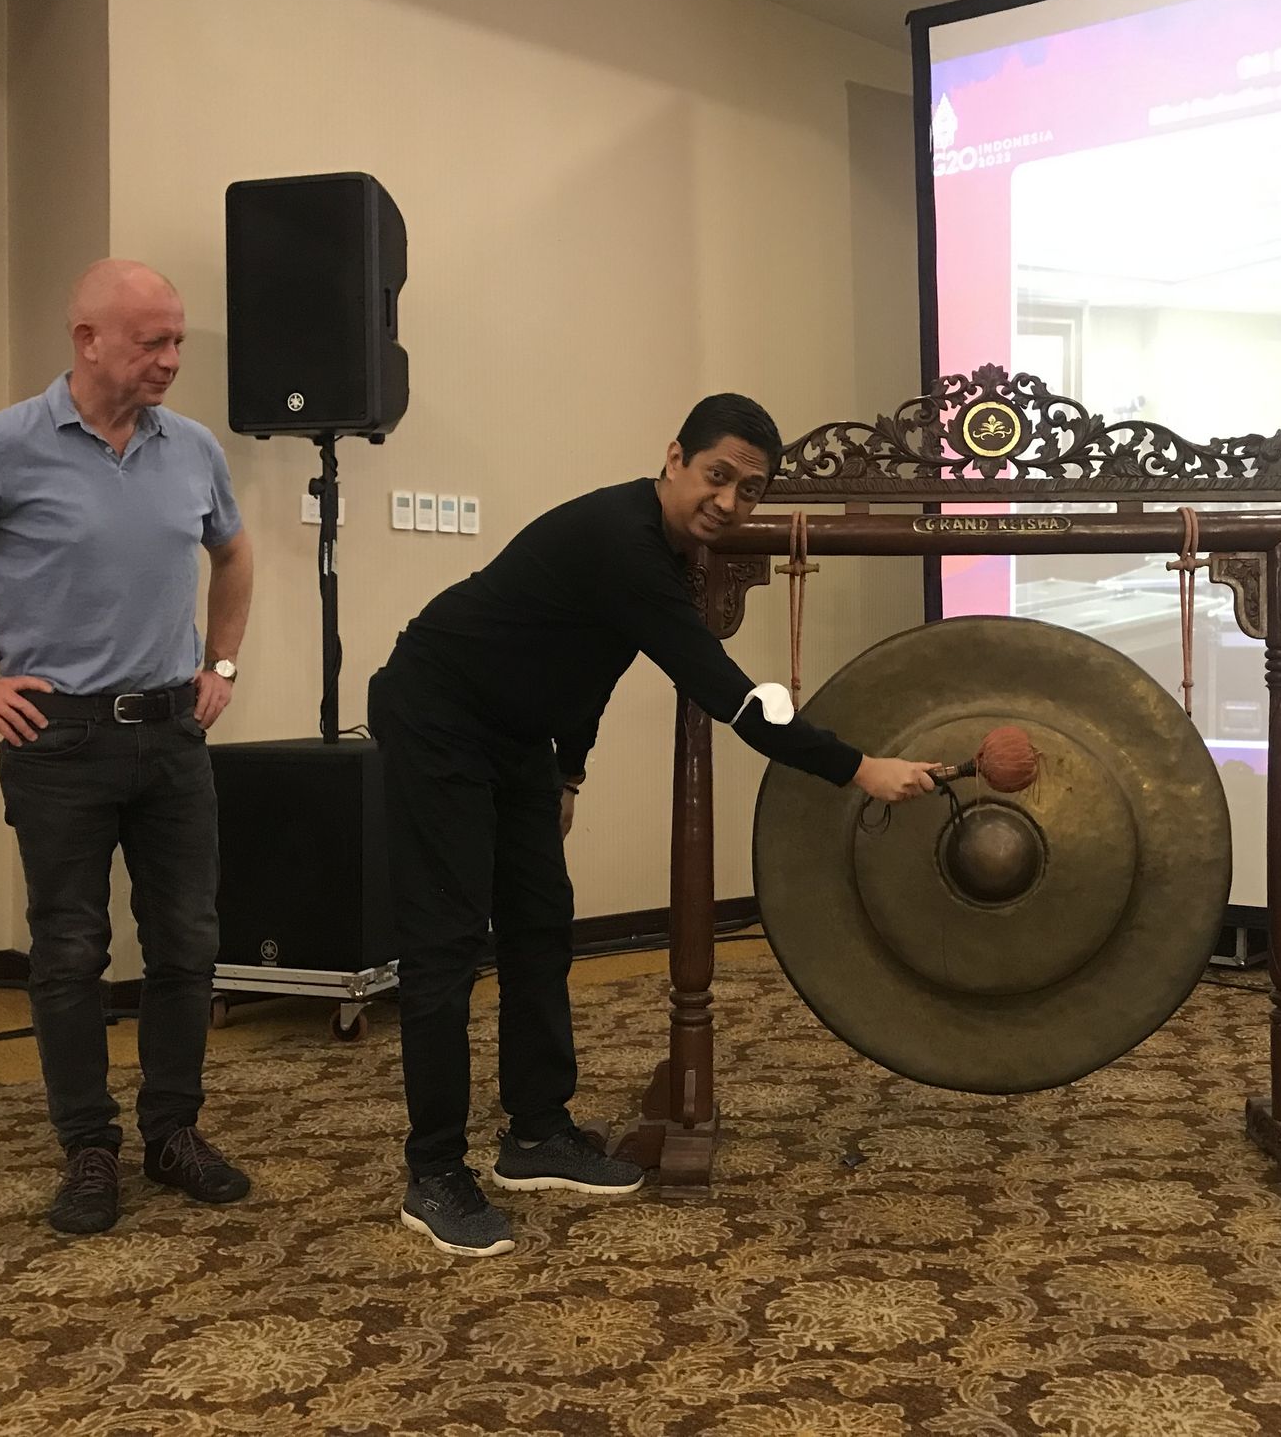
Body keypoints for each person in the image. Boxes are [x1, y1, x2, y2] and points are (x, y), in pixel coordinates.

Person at [370, 392, 939, 1257]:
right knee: (446, 944)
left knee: (538, 930)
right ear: (674, 457)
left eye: (750, 491)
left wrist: (567, 770)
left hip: (521, 736)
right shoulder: (622, 541)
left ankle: (534, 1137)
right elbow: (727, 695)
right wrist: (858, 767)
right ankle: (435, 1173)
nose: (730, 503)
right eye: (718, 476)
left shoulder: (664, 556)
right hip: (437, 713)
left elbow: (588, 669)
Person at [0, 259, 256, 1236]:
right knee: (71, 952)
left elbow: (234, 552)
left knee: (187, 946)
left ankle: (173, 1133)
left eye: (176, 341)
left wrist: (224, 666)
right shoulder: (1, 446)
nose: (169, 360)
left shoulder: (193, 448)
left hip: (171, 732)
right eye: (149, 342)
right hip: (58, 738)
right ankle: (88, 1148)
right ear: (86, 340)